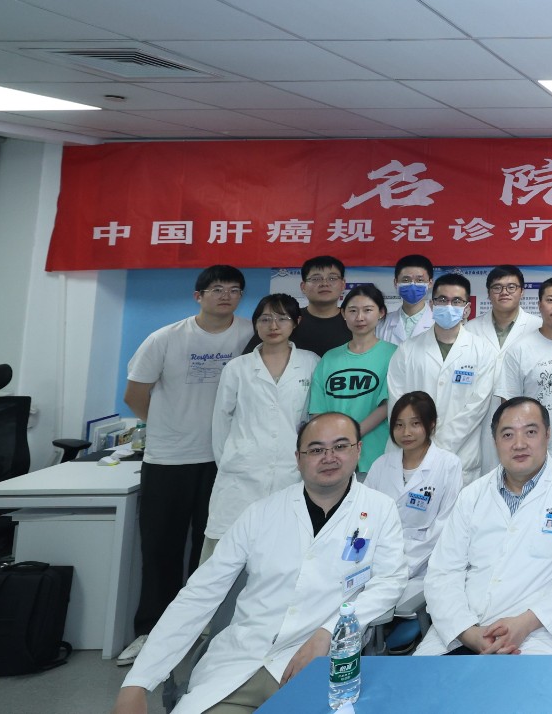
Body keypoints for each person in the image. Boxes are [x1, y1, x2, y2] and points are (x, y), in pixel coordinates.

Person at [111, 413, 407, 714]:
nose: (329, 457)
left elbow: (390, 582)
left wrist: (329, 632)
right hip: (241, 665)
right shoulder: (260, 513)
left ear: (358, 450)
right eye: (316, 449)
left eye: (340, 446)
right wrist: (138, 681)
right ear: (298, 458)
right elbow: (198, 595)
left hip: (319, 668)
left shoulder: (379, 510)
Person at [118, 265, 253, 666]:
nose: (225, 296)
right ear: (198, 296)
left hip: (223, 461)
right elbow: (134, 395)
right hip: (169, 460)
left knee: (215, 551)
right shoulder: (166, 338)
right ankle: (152, 633)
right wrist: (167, 427)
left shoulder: (249, 333)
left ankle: (205, 629)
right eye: (217, 289)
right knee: (162, 548)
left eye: (234, 290)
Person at [417, 397, 552, 656]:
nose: (519, 444)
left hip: (535, 637)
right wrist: (469, 633)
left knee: (524, 681)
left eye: (530, 432)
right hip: (459, 633)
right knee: (420, 681)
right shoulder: (472, 495)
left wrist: (525, 623)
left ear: (548, 434)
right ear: (495, 441)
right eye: (507, 435)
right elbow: (443, 572)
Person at [205, 294, 319, 560]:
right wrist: (234, 459)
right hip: (241, 476)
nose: (273, 325)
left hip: (291, 473)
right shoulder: (237, 367)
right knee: (225, 556)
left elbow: (313, 420)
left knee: (283, 555)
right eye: (265, 319)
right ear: (256, 324)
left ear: (296, 322)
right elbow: (221, 422)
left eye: (282, 318)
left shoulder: (311, 362)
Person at [364, 390, 464, 651]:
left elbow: (443, 527)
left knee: (387, 605)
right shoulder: (381, 465)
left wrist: (401, 566)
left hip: (422, 567)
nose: (406, 432)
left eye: (415, 423)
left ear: (431, 424)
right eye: (399, 425)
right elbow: (365, 519)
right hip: (377, 560)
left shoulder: (448, 465)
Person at [387, 273, 500, 484]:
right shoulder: (407, 350)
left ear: (467, 308)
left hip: (461, 456)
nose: (449, 306)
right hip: (410, 454)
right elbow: (397, 404)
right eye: (442, 300)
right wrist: (419, 442)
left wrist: (435, 447)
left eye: (456, 301)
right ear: (432, 305)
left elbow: (476, 407)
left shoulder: (483, 351)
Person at [310, 284, 395, 473]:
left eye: (368, 310)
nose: (360, 317)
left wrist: (349, 436)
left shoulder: (394, 355)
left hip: (376, 457)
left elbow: (388, 405)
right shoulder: (329, 358)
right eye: (353, 310)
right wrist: (334, 442)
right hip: (332, 457)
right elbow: (317, 410)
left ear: (381, 313)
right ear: (343, 314)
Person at [497, 276, 552, 465]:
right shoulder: (519, 350)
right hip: (532, 451)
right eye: (550, 300)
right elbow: (508, 408)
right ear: (539, 305)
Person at [238, 256, 353, 357]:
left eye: (332, 278)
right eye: (316, 279)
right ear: (303, 286)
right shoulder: (287, 319)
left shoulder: (354, 322)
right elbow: (248, 360)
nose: (324, 283)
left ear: (343, 285)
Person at [483, 264, 543, 350]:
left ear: (522, 292)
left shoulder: (540, 326)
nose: (504, 292)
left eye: (511, 287)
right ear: (488, 293)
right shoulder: (471, 328)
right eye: (497, 288)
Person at [379, 254, 435, 345]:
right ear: (396, 282)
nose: (413, 285)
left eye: (419, 280)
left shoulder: (438, 323)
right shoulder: (382, 324)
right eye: (406, 280)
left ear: (430, 283)